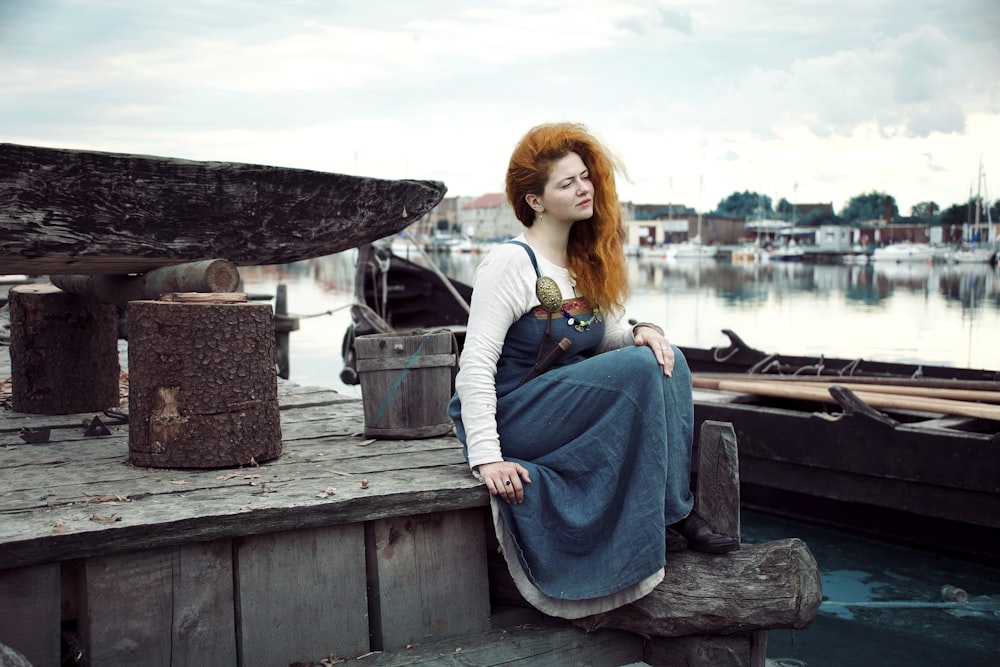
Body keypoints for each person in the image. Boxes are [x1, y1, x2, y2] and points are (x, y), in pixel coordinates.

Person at [448, 122, 737, 620]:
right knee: (640, 372)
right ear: (535, 200)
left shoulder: (582, 260)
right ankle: (660, 522)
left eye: (585, 177)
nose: (584, 188)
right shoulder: (510, 264)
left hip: (560, 408)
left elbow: (601, 335)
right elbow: (474, 364)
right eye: (567, 183)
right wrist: (488, 460)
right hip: (512, 414)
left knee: (667, 359)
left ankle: (675, 512)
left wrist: (641, 330)